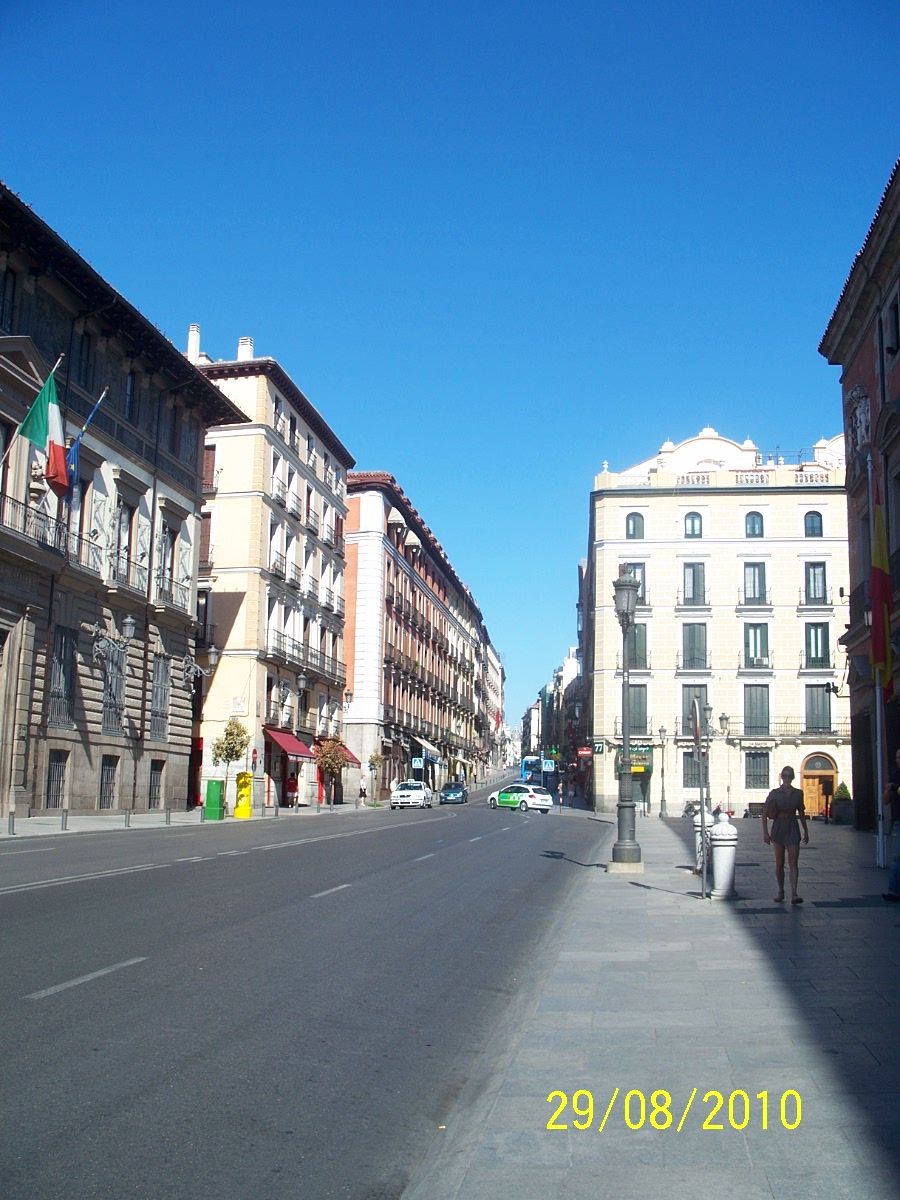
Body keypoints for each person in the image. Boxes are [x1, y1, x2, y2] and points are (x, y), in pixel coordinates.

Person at [762, 765, 809, 904]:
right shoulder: (774, 793)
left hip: (793, 827)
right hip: (778, 827)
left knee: (793, 863)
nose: (787, 778)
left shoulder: (798, 793)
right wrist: (765, 833)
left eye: (790, 776)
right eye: (785, 776)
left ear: (793, 777)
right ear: (781, 777)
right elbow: (764, 813)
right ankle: (781, 891)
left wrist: (806, 830)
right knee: (779, 863)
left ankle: (794, 893)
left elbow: (801, 812)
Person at [881, 749, 900, 901]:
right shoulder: (895, 775)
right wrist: (887, 791)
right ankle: (894, 891)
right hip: (898, 821)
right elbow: (886, 800)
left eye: (899, 757)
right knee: (898, 857)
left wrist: (894, 788)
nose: (897, 760)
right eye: (896, 757)